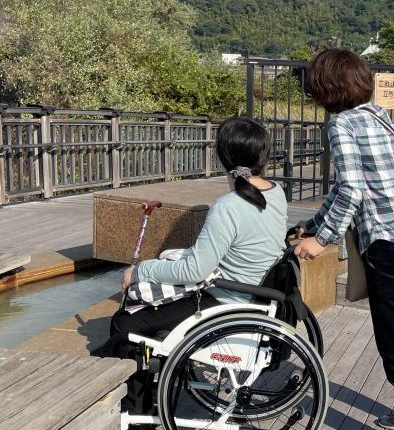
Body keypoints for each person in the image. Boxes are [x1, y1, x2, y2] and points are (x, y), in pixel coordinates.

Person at [295, 48, 394, 430]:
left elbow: (352, 191)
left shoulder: (340, 125)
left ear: (324, 88)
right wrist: (315, 223)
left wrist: (319, 241)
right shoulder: (377, 112)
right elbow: (352, 188)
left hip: (391, 248)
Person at [101, 117, 287, 414]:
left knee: (127, 322)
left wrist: (139, 270)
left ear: (223, 157)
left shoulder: (229, 206)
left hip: (225, 300)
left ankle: (133, 415)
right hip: (252, 295)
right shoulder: (276, 192)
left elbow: (194, 271)